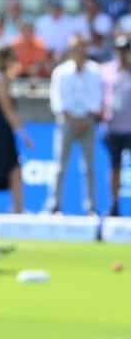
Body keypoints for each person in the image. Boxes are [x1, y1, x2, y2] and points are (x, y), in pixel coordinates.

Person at [45, 34, 104, 214]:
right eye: (76, 48)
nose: (79, 51)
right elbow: (57, 101)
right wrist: (72, 120)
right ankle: (54, 204)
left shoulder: (95, 71)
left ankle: (90, 207)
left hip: (87, 123)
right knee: (59, 166)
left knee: (88, 168)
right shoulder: (60, 72)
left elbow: (97, 99)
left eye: (82, 47)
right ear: (70, 51)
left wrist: (85, 120)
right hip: (66, 122)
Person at [0, 45, 33, 214]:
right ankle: (17, 211)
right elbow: (8, 110)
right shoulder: (1, 80)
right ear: (6, 60)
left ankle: (18, 210)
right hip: (0, 131)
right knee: (8, 171)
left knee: (14, 171)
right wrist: (24, 135)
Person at [103, 36, 131, 216]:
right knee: (114, 169)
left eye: (125, 51)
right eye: (119, 50)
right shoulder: (106, 71)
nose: (122, 54)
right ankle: (114, 205)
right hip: (112, 129)